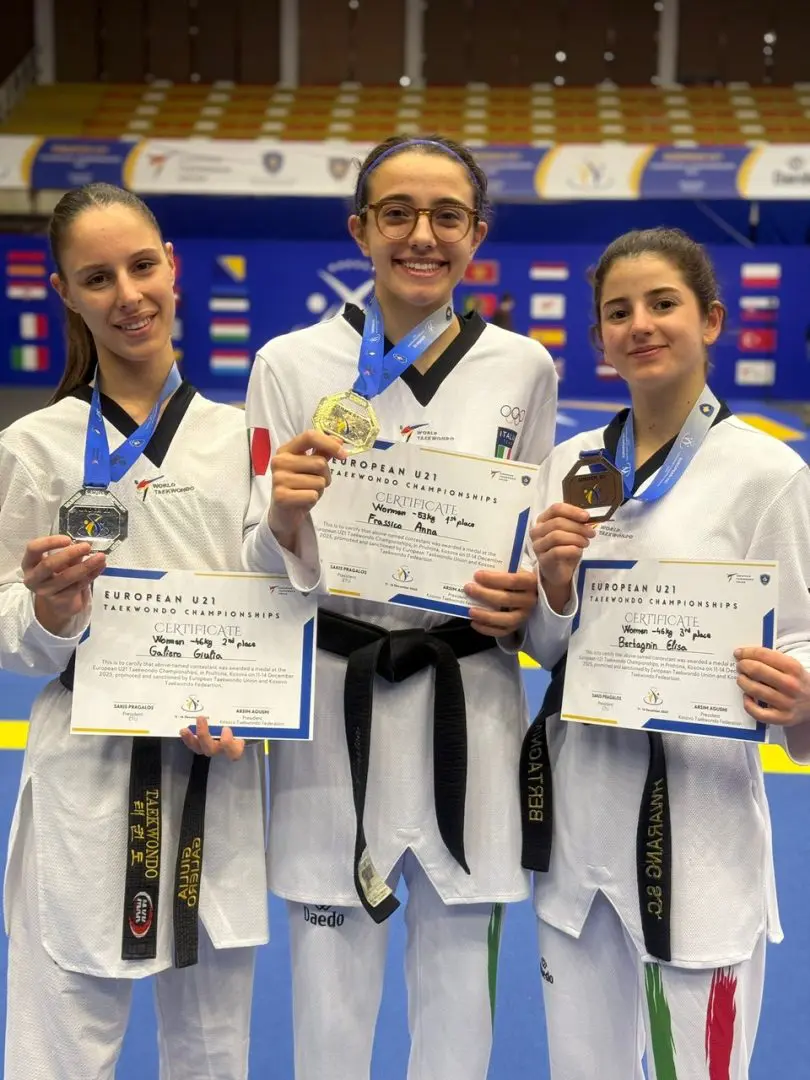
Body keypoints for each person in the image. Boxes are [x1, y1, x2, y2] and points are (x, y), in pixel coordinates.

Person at [242, 134, 558, 1079]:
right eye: (398, 214)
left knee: (460, 992)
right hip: (335, 702)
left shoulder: (524, 368)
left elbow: (529, 543)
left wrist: (524, 595)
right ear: (360, 229)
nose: (423, 235)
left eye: (447, 216)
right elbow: (254, 559)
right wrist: (283, 518)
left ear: (476, 234)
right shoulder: (289, 363)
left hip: (470, 698)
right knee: (329, 996)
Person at [523, 226, 810, 1079]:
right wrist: (555, 582)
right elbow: (548, 645)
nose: (640, 324)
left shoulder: (767, 473)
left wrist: (799, 689)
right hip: (579, 827)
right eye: (619, 312)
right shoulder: (571, 464)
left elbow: (800, 630)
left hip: (701, 823)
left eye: (662, 304)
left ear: (711, 320)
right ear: (599, 338)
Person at [0, 182, 267, 1079]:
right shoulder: (33, 446)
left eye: (142, 266)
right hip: (86, 763)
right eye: (97, 277)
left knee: (213, 1054)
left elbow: (280, 602)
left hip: (217, 766)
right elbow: (5, 616)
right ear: (64, 293)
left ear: (173, 269)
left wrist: (254, 709)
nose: (128, 295)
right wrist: (48, 612)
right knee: (59, 1052)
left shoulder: (245, 441)